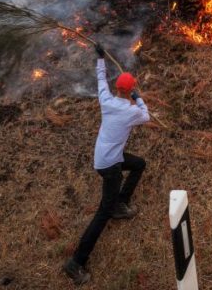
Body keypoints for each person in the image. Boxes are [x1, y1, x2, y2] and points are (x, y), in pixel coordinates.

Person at [63, 44, 150, 286]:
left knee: (139, 164)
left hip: (103, 157)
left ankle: (120, 203)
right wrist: (138, 98)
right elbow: (146, 116)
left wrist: (100, 58)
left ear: (116, 89)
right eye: (131, 91)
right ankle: (76, 262)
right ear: (129, 90)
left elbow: (100, 79)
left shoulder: (106, 100)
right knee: (102, 214)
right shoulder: (132, 112)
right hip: (111, 165)